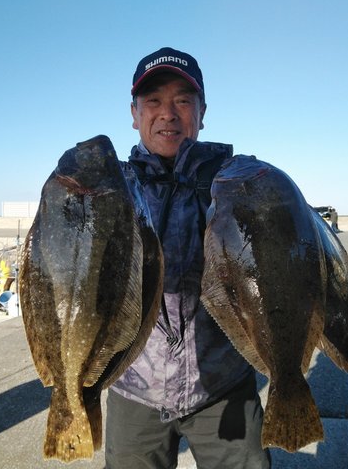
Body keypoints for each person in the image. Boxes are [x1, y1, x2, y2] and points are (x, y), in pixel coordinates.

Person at [105, 47, 271, 469]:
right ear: (134, 112)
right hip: (134, 386)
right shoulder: (111, 190)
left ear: (201, 111)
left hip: (223, 384)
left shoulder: (237, 183)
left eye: (182, 100)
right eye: (153, 101)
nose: (168, 113)